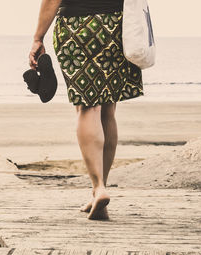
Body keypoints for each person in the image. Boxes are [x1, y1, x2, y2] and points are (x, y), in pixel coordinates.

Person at [28, 0, 143, 220]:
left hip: (77, 26)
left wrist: (37, 38)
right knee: (108, 110)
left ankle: (98, 187)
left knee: (87, 106)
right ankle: (99, 192)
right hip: (116, 26)